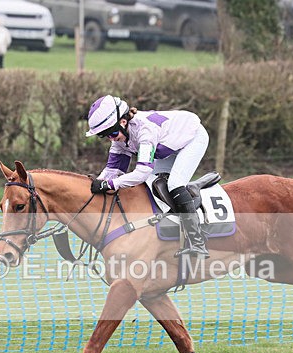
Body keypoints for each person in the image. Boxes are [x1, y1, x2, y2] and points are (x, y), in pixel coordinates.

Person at [86, 95, 210, 257]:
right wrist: (94, 186)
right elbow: (112, 171)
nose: (112, 138)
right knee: (153, 186)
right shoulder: (119, 140)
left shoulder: (145, 131)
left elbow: (142, 172)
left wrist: (111, 185)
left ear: (123, 122)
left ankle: (197, 241)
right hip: (168, 146)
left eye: (112, 132)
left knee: (175, 184)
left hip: (192, 138)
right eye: (105, 135)